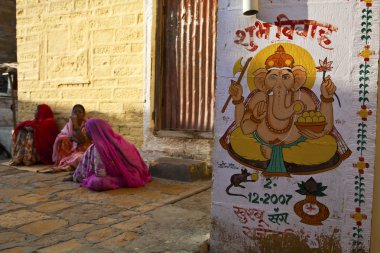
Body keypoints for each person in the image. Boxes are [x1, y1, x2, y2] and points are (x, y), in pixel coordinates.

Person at [71, 118, 152, 191]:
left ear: (93, 132)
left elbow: (100, 173)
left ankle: (121, 179)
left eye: (87, 130)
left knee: (97, 182)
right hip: (135, 173)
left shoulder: (98, 148)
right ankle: (123, 178)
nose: (86, 133)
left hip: (119, 175)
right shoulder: (119, 141)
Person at [51, 104, 91, 171]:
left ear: (83, 114)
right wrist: (70, 139)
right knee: (62, 139)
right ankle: (64, 161)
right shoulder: (69, 125)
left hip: (83, 151)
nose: (77, 114)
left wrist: (75, 125)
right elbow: (61, 136)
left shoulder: (87, 125)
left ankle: (70, 164)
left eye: (79, 112)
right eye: (75, 112)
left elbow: (82, 141)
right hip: (70, 151)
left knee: (80, 158)